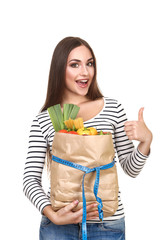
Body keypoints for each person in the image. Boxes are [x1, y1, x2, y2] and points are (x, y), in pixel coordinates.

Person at [23, 37, 153, 240]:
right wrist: (53, 215)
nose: (85, 72)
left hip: (107, 224)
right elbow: (30, 180)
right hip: (58, 227)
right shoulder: (44, 120)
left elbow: (130, 169)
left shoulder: (112, 109)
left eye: (89, 63)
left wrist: (146, 141)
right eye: (75, 64)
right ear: (59, 70)